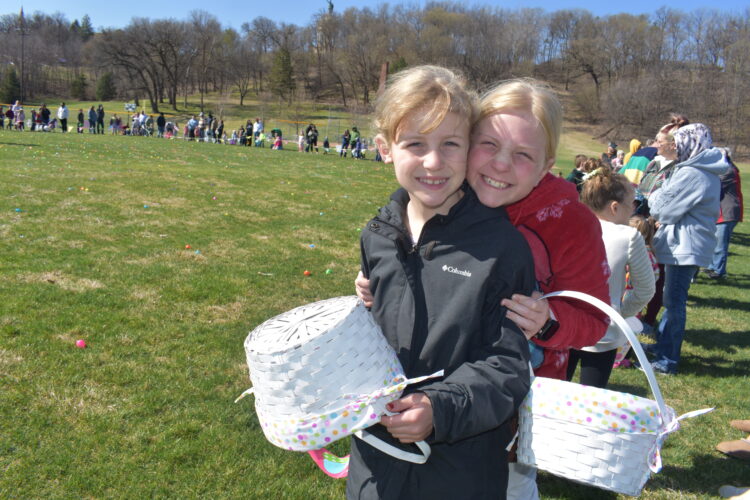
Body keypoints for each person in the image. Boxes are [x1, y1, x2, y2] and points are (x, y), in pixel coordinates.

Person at [357, 79, 610, 500]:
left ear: (546, 166)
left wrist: (549, 322)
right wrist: (381, 284)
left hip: (514, 410)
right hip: (399, 431)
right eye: (488, 145)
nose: (500, 165)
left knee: (513, 484)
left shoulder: (567, 223)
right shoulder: (420, 210)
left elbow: (596, 320)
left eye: (523, 155)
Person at [349, 65, 534, 500]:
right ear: (385, 149)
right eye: (415, 144)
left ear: (469, 148)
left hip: (459, 471)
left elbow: (507, 366)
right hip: (373, 464)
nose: (433, 162)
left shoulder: (502, 249)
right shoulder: (378, 235)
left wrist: (440, 408)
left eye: (450, 144)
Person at [646, 123, 729, 374]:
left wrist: (656, 193)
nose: (675, 146)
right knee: (672, 299)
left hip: (686, 245)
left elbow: (661, 209)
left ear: (690, 144)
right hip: (687, 243)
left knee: (674, 302)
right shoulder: (699, 169)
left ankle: (668, 359)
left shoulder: (693, 173)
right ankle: (663, 346)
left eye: (678, 142)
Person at [566, 168, 655, 388]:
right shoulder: (629, 236)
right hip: (603, 330)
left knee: (552, 390)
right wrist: (620, 313)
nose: (634, 210)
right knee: (593, 395)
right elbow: (645, 289)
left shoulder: (568, 225)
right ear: (615, 207)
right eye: (632, 204)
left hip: (562, 322)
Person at [704, 148, 743, 279]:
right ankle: (712, 266)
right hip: (721, 212)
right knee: (714, 241)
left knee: (720, 243)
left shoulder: (727, 171)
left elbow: (712, 186)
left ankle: (719, 271)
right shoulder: (726, 169)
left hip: (727, 212)